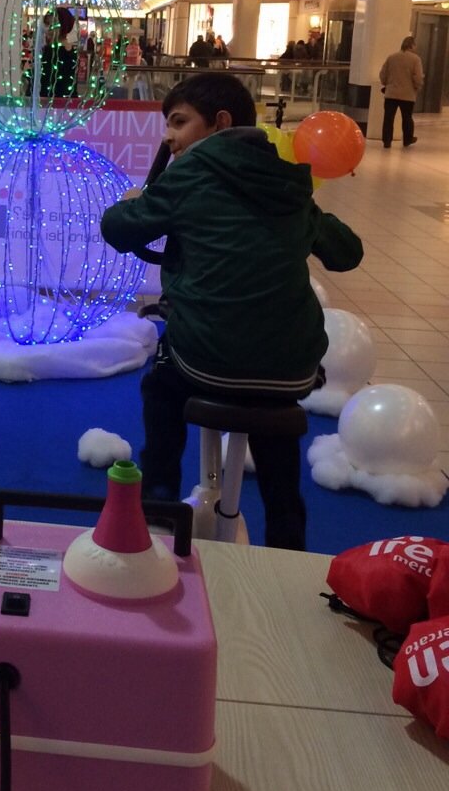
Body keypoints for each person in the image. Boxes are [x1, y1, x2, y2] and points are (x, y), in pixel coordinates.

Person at [100, 73, 363, 550]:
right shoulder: (287, 179)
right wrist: (309, 215)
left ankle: (158, 506)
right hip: (290, 370)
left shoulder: (187, 176)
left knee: (161, 385)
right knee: (273, 414)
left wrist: (133, 201)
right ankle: (287, 542)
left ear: (221, 122)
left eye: (179, 122)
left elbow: (118, 229)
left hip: (206, 362)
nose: (169, 137)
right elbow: (347, 254)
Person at [379, 34, 424, 149]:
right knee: (407, 117)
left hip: (391, 93)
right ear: (412, 45)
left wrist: (387, 84)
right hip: (407, 95)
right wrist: (417, 87)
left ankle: (387, 141)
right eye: (415, 45)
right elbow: (418, 77)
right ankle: (407, 139)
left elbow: (383, 74)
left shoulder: (392, 57)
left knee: (388, 118)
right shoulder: (415, 59)